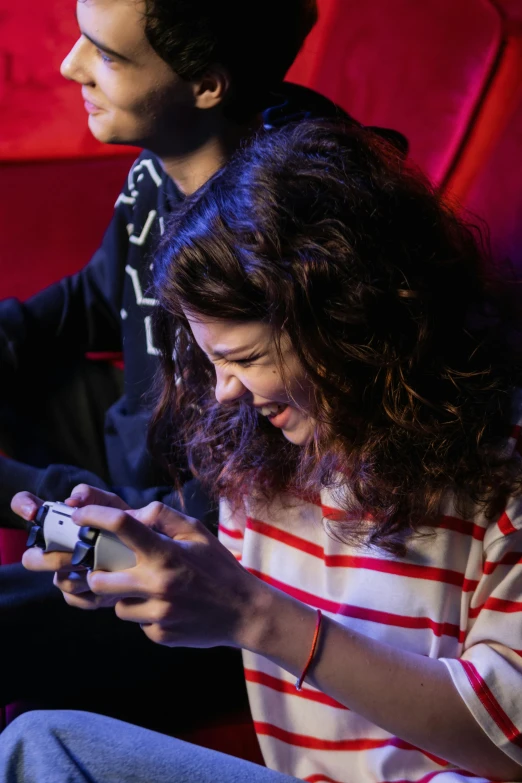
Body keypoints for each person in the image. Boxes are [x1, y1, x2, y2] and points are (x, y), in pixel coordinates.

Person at [4, 118, 522, 782]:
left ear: (345, 325)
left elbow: (507, 738)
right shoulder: (269, 452)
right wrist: (124, 554)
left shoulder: (500, 474)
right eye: (213, 360)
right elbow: (224, 588)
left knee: (32, 749)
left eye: (243, 357)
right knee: (39, 738)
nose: (223, 393)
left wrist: (255, 614)